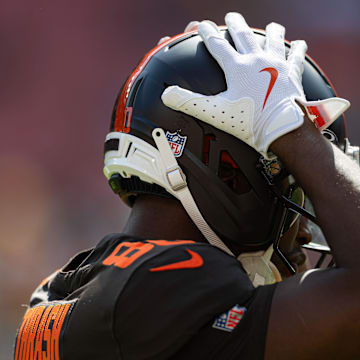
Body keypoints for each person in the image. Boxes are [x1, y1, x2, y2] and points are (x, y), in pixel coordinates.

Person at [14, 12, 360, 360]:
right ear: (231, 174)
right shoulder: (173, 285)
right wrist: (292, 129)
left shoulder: (64, 289)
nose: (304, 231)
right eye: (298, 185)